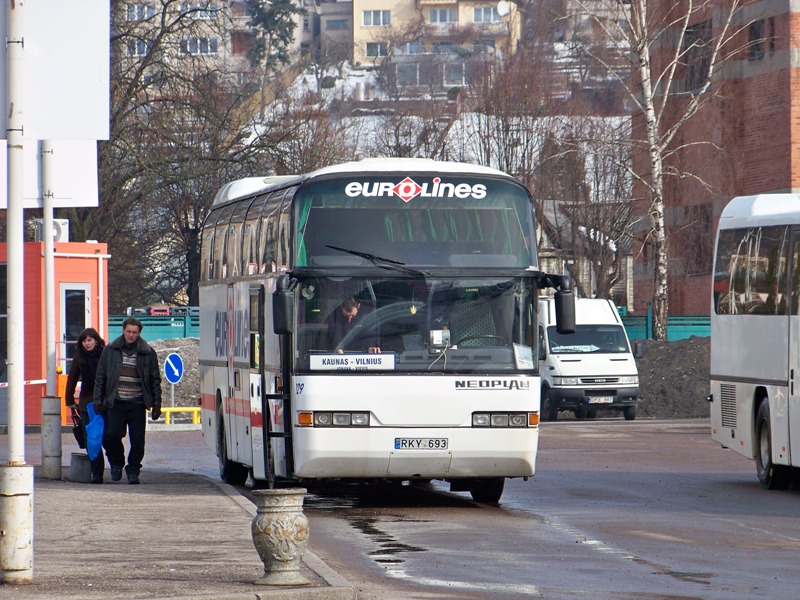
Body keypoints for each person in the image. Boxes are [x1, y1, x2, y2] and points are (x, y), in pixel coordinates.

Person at [93, 316, 162, 484]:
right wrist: (98, 400)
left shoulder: (147, 353)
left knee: (138, 439)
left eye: (135, 332)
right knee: (112, 435)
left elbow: (155, 379)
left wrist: (157, 403)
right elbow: (100, 376)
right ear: (123, 331)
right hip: (115, 401)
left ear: (139, 333)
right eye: (129, 332)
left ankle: (133, 470)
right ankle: (117, 462)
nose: (131, 335)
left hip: (137, 402)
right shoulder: (110, 351)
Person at [64, 327, 106, 484]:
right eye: (84, 340)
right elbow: (72, 379)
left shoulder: (105, 354)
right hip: (87, 402)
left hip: (105, 401)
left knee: (108, 437)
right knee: (91, 439)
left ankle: (116, 463)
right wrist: (69, 401)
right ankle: (97, 474)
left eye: (89, 340)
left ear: (96, 340)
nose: (87, 343)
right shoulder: (79, 356)